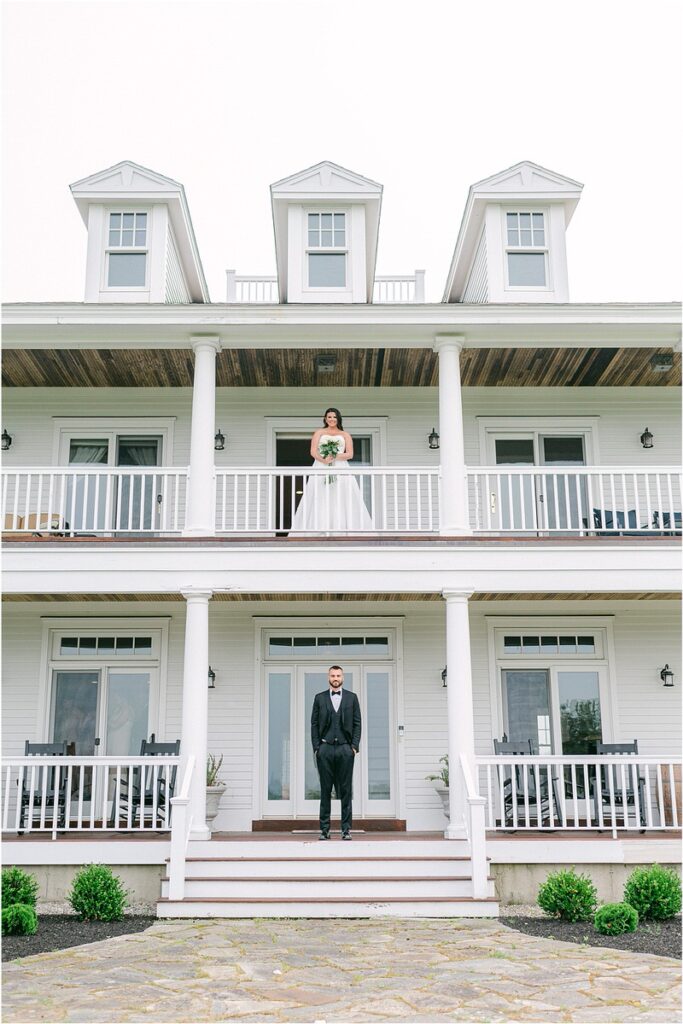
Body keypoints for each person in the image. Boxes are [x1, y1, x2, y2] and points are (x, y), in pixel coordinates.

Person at [290, 408, 374, 532]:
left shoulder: (345, 434)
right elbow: (313, 451)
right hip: (321, 465)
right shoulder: (319, 432)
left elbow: (350, 454)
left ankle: (342, 528)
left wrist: (335, 456)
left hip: (340, 466)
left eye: (334, 417)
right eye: (329, 417)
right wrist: (324, 460)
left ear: (338, 419)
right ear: (325, 419)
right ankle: (319, 527)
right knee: (320, 494)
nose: (332, 419)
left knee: (340, 494)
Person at [311, 665, 361, 840]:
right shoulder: (319, 698)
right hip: (325, 749)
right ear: (328, 677)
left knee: (346, 790)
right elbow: (314, 724)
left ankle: (346, 830)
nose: (335, 678)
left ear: (343, 677)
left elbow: (357, 723)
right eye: (333, 675)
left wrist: (354, 747)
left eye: (338, 675)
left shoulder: (352, 698)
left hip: (345, 749)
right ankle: (324, 830)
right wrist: (317, 748)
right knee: (325, 790)